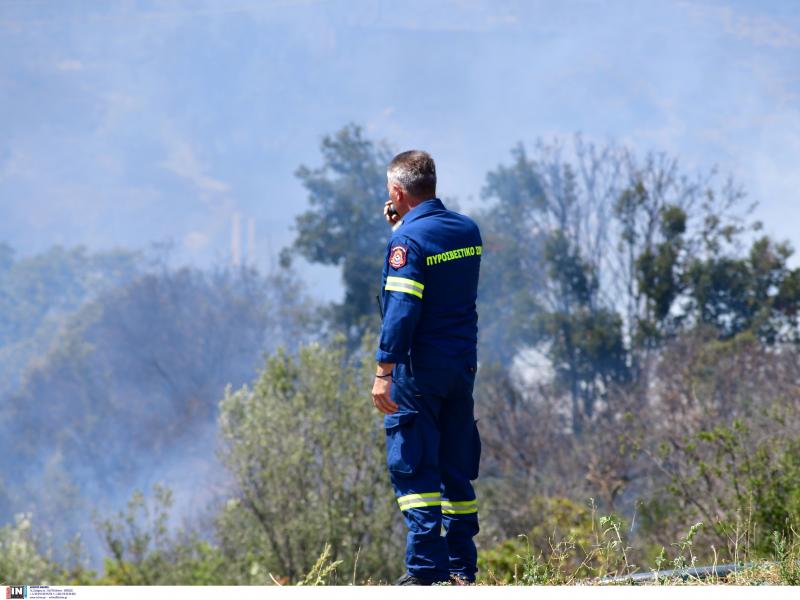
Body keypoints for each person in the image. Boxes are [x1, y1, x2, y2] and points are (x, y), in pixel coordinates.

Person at [371, 150, 483, 586]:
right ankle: (460, 568)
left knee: (414, 468)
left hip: (418, 374)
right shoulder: (467, 230)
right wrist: (402, 228)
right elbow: (440, 281)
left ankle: (425, 573)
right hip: (460, 370)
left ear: (398, 193)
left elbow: (402, 308)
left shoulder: (407, 243)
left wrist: (384, 371)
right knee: (456, 468)